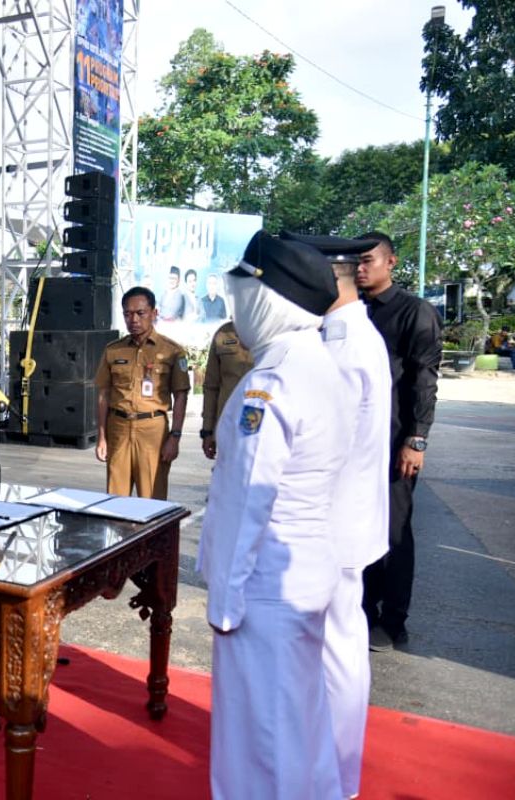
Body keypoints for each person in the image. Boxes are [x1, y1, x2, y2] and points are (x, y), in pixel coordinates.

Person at [197, 230, 350, 799]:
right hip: (306, 572)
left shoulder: (271, 382)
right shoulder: (319, 364)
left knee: (261, 735)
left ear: (268, 298)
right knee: (302, 720)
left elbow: (247, 497)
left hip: (263, 585)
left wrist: (225, 598)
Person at [284, 231, 392, 798]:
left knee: (338, 649)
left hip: (334, 524)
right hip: (346, 520)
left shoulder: (345, 345)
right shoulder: (351, 334)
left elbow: (330, 448)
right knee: (340, 644)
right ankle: (329, 765)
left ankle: (337, 774)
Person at [356, 231, 442, 651]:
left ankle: (393, 620)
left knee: (393, 531)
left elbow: (425, 380)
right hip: (353, 443)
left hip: (394, 442)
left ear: (391, 262)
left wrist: (417, 439)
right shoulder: (350, 312)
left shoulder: (414, 312)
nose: (360, 267)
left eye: (368, 260)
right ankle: (361, 610)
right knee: (355, 528)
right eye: (355, 261)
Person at [94, 287, 190, 499]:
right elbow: (103, 395)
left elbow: (181, 395)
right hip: (118, 428)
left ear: (154, 313)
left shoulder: (172, 351)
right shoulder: (113, 350)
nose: (133, 319)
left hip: (153, 431)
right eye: (127, 314)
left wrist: (175, 437)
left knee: (152, 500)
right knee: (115, 501)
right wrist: (102, 437)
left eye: (140, 313)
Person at [199, 321, 253, 460]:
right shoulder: (223, 334)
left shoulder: (274, 334)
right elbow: (211, 386)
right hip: (228, 427)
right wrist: (207, 431)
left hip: (263, 427)